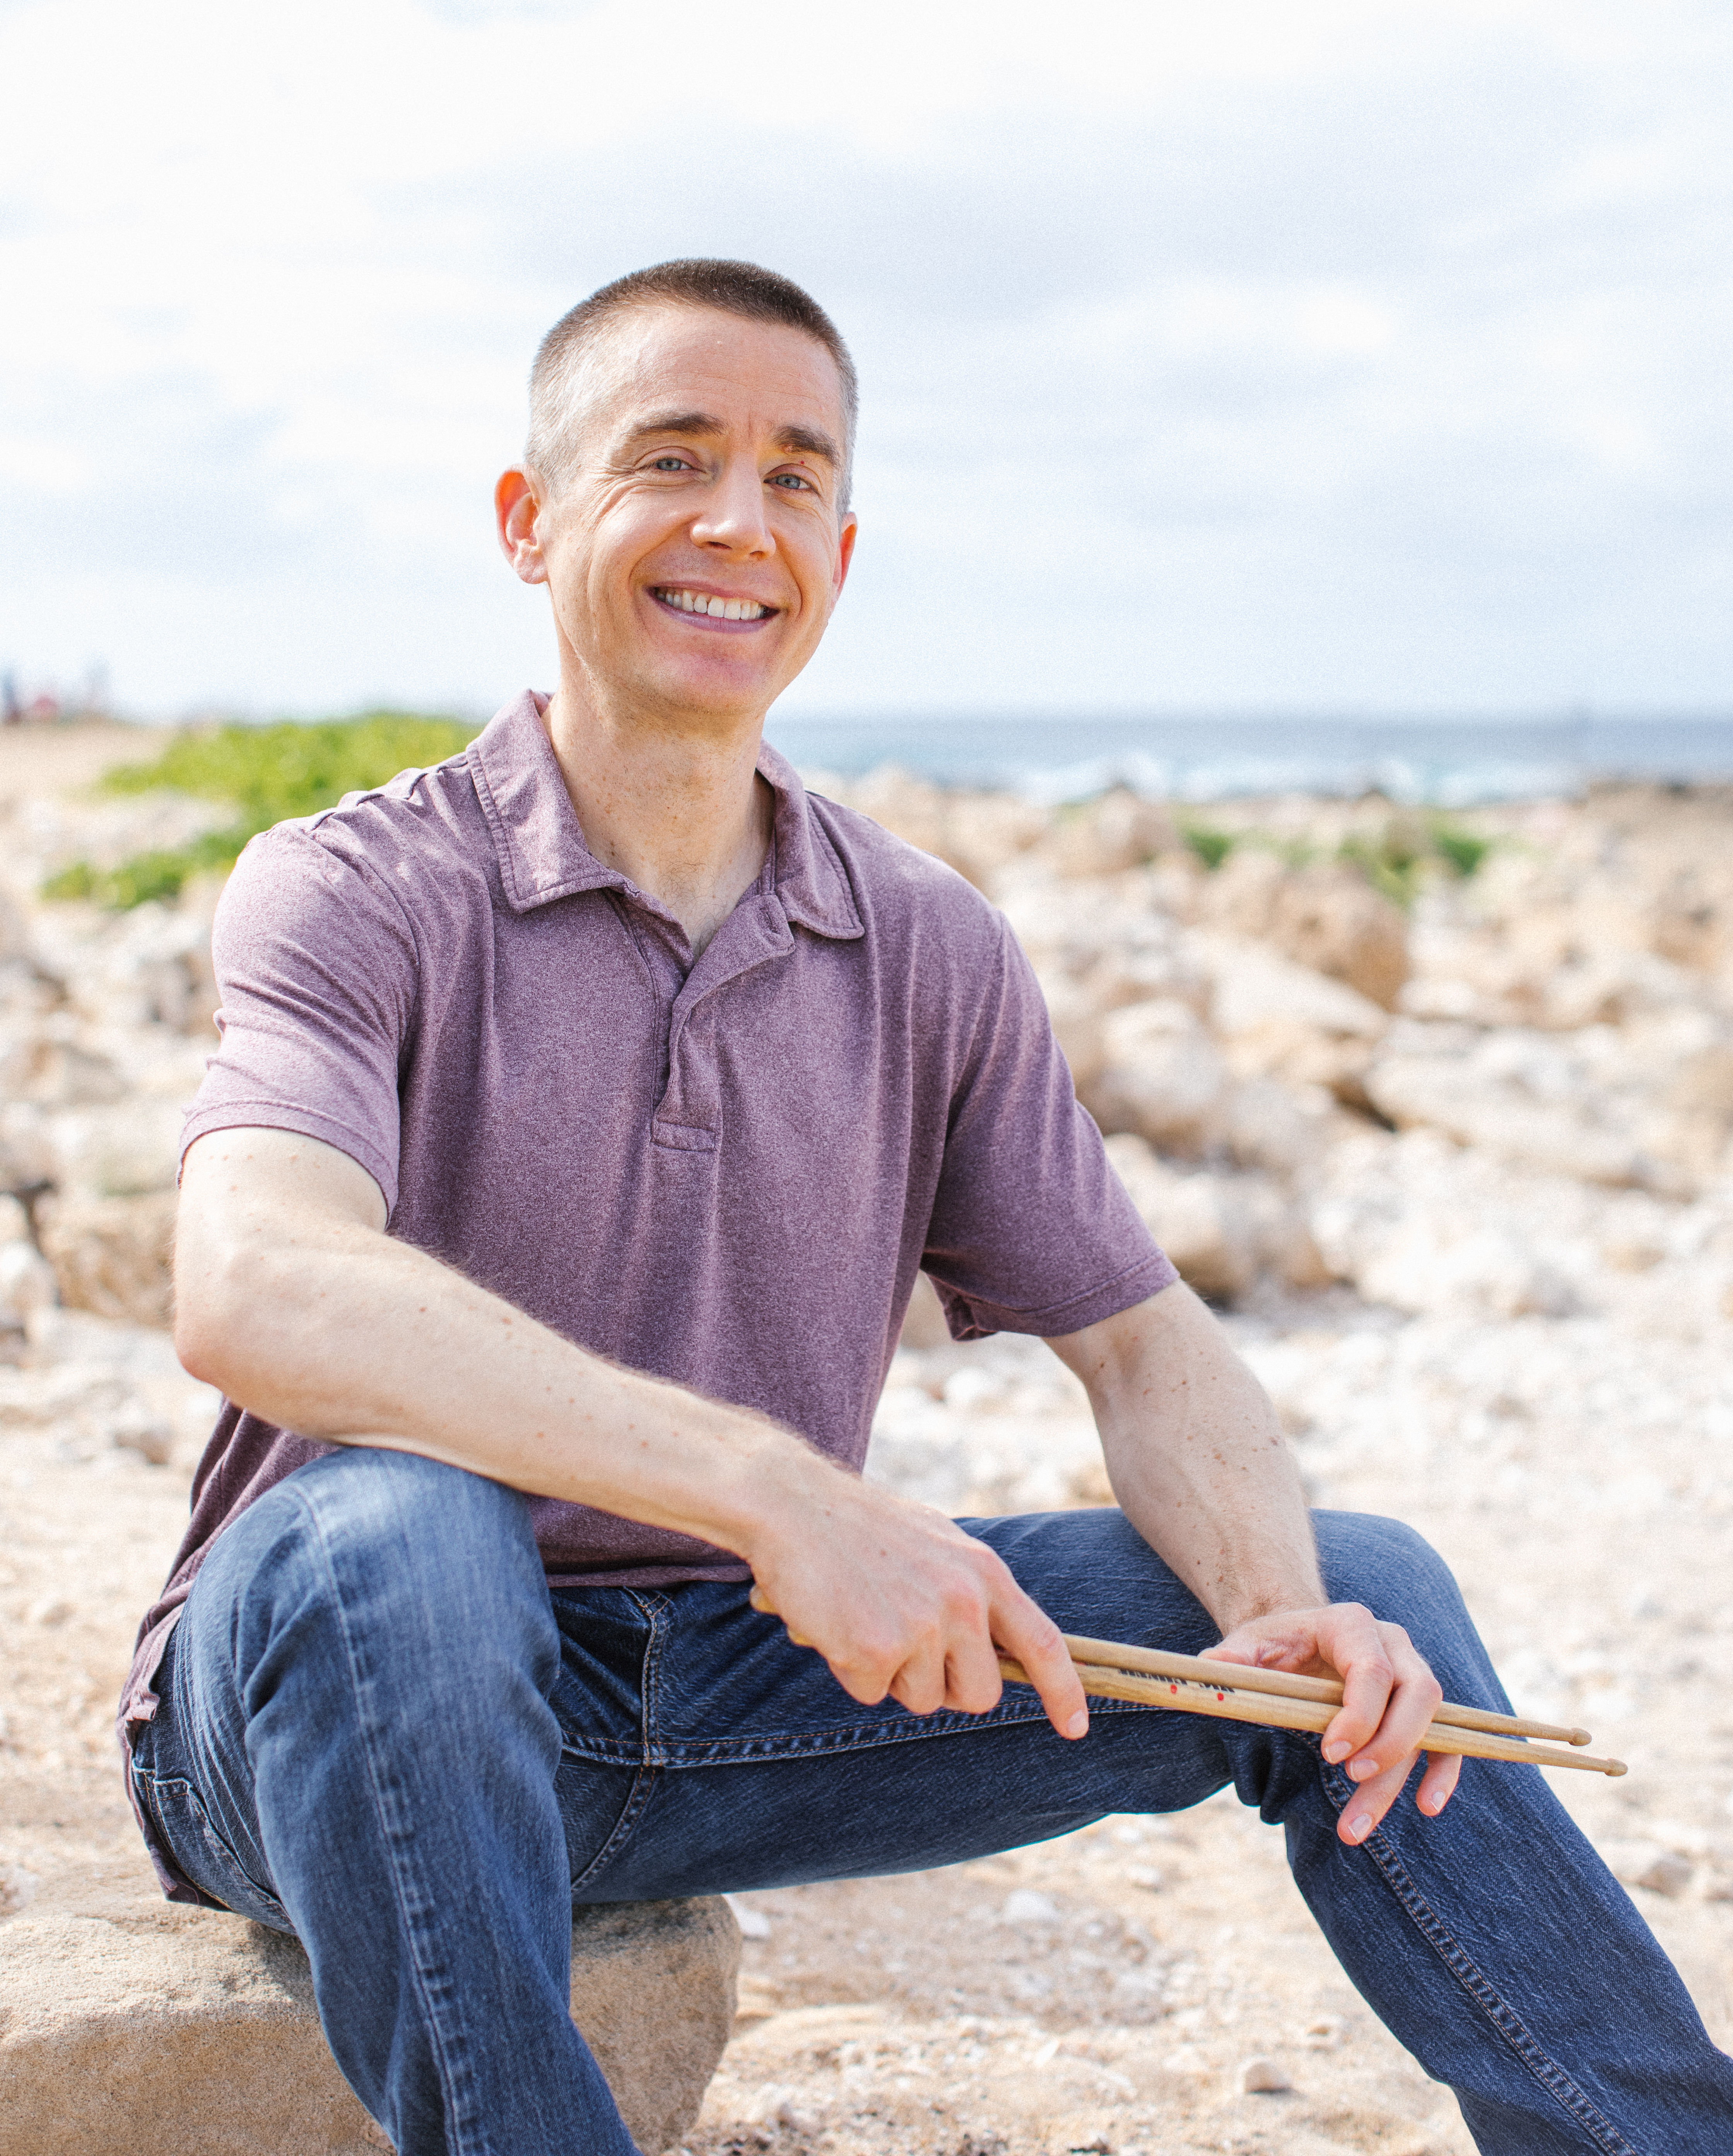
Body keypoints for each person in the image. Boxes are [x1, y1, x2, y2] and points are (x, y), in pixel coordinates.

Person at [124, 259, 1731, 2156]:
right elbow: (253, 1281)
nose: (742, 521)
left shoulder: (923, 944)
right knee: (395, 1533)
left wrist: (1278, 1616)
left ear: (842, 551)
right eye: (674, 458)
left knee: (1365, 1602)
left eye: (797, 478)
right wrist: (783, 1493)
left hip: (736, 1701)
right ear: (527, 518)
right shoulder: (356, 887)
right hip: (331, 1710)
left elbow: (1141, 1344)